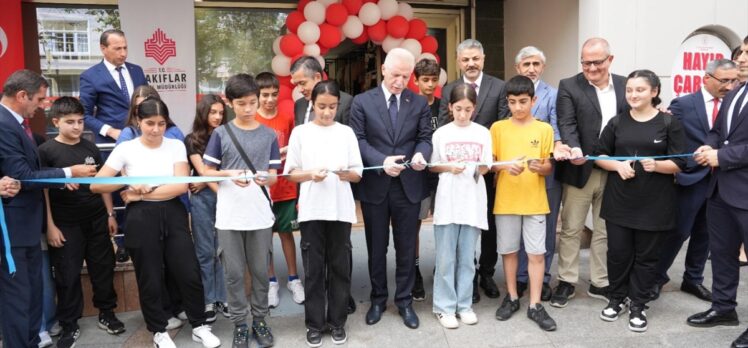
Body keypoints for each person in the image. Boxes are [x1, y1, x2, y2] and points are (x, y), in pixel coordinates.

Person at [91, 98, 220, 348]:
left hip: (172, 212)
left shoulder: (175, 145)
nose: (156, 129)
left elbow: (180, 186)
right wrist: (127, 181)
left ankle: (199, 325)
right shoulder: (126, 148)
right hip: (140, 217)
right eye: (150, 123)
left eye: (161, 123)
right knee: (149, 274)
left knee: (188, 271)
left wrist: (138, 193)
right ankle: (158, 330)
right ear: (138, 121)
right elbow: (97, 184)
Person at [0, 69, 97, 348]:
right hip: (12, 229)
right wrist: (68, 173)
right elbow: (22, 175)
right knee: (18, 299)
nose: (42, 105)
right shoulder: (4, 124)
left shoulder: (17, 124)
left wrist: (57, 181)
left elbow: (30, 171)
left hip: (27, 226)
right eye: (40, 99)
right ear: (21, 95)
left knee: (30, 296)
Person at [594, 69, 685, 332]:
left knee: (647, 257)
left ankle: (638, 304)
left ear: (654, 92)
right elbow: (599, 156)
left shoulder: (669, 123)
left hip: (655, 204)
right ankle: (616, 298)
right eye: (630, 90)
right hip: (619, 202)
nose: (633, 95)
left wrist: (657, 166)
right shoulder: (617, 122)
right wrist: (617, 167)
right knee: (618, 254)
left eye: (640, 90)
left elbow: (680, 163)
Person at [349, 48, 432, 329]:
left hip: (408, 184)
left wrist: (421, 155)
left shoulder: (418, 103)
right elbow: (358, 140)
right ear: (384, 69)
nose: (400, 81)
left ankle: (405, 301)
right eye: (396, 74)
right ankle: (377, 299)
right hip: (376, 184)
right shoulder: (362, 102)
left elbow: (424, 138)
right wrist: (381, 161)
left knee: (406, 247)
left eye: (406, 76)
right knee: (376, 247)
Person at [39, 97, 125, 348]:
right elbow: (42, 191)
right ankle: (69, 324)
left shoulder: (90, 148)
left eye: (80, 121)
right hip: (65, 224)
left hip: (97, 219)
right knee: (67, 276)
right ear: (56, 122)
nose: (77, 126)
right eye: (70, 122)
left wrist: (110, 214)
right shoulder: (46, 151)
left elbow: (103, 183)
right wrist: (50, 225)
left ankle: (107, 314)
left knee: (103, 269)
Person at [652, 59, 740, 301]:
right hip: (691, 179)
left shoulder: (734, 105)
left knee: (707, 233)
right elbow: (668, 137)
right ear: (707, 78)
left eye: (734, 80)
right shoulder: (683, 104)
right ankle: (657, 277)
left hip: (722, 180)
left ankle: (693, 279)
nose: (730, 86)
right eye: (724, 80)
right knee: (678, 232)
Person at [203, 74, 280, 348]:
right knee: (234, 274)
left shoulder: (269, 134)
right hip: (229, 217)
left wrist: (267, 179)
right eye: (242, 103)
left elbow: (274, 174)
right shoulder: (220, 134)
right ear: (229, 103)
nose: (248, 109)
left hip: (260, 215)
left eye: (252, 102)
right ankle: (239, 324)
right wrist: (227, 180)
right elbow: (205, 171)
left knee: (260, 271)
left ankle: (259, 319)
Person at [284, 80, 363, 347]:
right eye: (321, 107)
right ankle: (315, 323)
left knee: (340, 267)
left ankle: (338, 321)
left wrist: (344, 173)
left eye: (332, 107)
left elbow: (357, 173)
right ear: (312, 104)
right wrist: (310, 174)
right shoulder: (300, 133)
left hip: (340, 210)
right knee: (315, 268)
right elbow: (291, 172)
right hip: (311, 210)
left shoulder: (346, 133)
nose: (327, 112)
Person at [552, 37, 627, 308]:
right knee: (571, 228)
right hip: (579, 169)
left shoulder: (624, 84)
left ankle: (600, 281)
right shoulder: (569, 86)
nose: (592, 68)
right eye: (586, 63)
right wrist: (573, 148)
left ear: (610, 60)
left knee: (605, 229)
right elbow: (566, 122)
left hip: (614, 170)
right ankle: (566, 281)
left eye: (597, 62)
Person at [438, 39, 509, 303]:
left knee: (487, 224)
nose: (470, 63)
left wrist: (488, 162)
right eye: (465, 59)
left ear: (483, 59)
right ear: (458, 61)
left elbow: (501, 127)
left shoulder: (499, 87)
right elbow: (443, 129)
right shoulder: (448, 90)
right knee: (459, 223)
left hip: (485, 172)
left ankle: (486, 273)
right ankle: (460, 273)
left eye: (475, 59)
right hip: (455, 175)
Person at [689, 36, 748, 348]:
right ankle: (724, 309)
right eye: (742, 52)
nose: (742, 58)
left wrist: (721, 157)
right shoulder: (736, 92)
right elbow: (718, 132)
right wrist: (708, 146)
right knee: (723, 256)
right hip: (721, 192)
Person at [491, 76, 557, 331]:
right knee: (508, 252)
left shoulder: (544, 129)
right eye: (512, 102)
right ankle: (512, 297)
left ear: (534, 100)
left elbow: (549, 165)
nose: (517, 107)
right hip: (506, 201)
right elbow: (490, 165)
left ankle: (535, 304)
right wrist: (505, 167)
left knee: (536, 254)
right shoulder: (497, 128)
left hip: (535, 202)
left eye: (522, 102)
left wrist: (541, 168)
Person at [429, 83, 490, 329]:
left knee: (467, 258)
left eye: (467, 109)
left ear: (474, 108)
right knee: (445, 259)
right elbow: (433, 165)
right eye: (458, 109)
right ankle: (444, 307)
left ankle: (464, 305)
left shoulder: (482, 133)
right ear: (450, 107)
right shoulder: (441, 133)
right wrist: (449, 167)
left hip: (473, 201)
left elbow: (487, 166)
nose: (463, 114)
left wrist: (477, 168)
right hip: (448, 202)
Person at [513, 46, 562, 302]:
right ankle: (522, 277)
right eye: (526, 64)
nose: (531, 68)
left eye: (536, 64)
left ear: (543, 67)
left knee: (547, 226)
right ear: (517, 68)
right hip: (517, 174)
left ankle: (541, 279)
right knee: (522, 227)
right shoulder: (509, 92)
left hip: (546, 172)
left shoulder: (553, 95)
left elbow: (556, 129)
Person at [255, 72, 305, 308]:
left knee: (286, 233)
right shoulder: (252, 120)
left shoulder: (287, 118)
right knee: (264, 237)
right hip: (261, 190)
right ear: (257, 96)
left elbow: (296, 152)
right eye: (265, 95)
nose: (270, 99)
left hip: (285, 188)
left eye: (274, 94)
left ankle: (294, 279)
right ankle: (271, 281)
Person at [184, 94, 229, 323]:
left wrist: (210, 183)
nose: (218, 117)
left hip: (226, 197)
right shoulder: (192, 139)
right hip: (204, 200)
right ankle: (209, 299)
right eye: (213, 112)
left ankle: (225, 298)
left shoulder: (228, 136)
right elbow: (202, 170)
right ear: (203, 113)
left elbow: (227, 170)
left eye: (221, 112)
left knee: (225, 250)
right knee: (205, 251)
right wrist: (215, 186)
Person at [80, 29, 148, 144]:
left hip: (141, 139)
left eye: (125, 48)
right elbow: (83, 114)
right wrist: (109, 131)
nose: (123, 53)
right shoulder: (90, 76)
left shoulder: (137, 70)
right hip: (111, 142)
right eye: (117, 49)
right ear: (103, 48)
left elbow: (149, 102)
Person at [412, 57, 441, 301]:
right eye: (425, 80)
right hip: (419, 176)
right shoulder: (411, 106)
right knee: (415, 225)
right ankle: (415, 270)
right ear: (416, 81)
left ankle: (442, 265)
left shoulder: (445, 107)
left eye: (434, 79)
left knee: (443, 224)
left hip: (441, 175)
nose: (430, 84)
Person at [291, 56, 353, 126]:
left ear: (317, 77)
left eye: (302, 83)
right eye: (297, 84)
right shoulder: (299, 104)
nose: (299, 90)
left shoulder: (345, 102)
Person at [116, 86, 185, 145]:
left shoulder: (174, 132)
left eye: (147, 105)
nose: (143, 109)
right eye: (138, 107)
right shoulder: (128, 133)